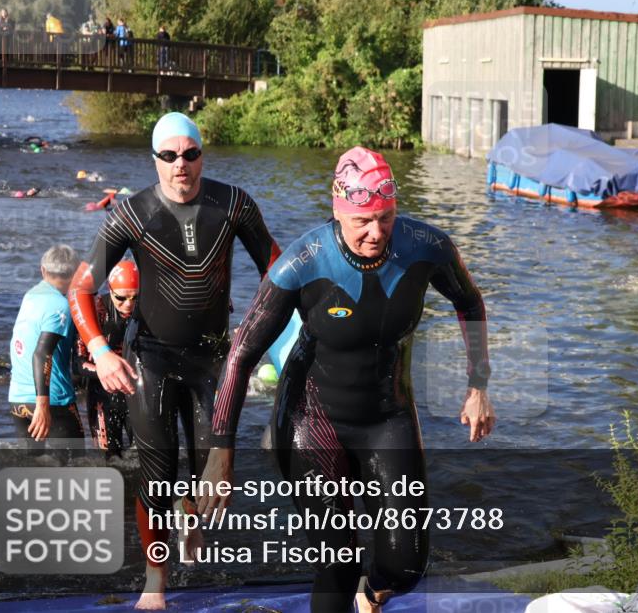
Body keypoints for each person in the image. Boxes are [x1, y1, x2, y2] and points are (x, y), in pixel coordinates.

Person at [201, 147, 495, 613]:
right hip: (312, 418)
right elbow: (241, 354)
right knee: (337, 558)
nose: (376, 233)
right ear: (339, 212)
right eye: (362, 221)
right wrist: (221, 452)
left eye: (386, 218)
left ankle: (371, 594)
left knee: (406, 564)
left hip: (388, 414)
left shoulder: (426, 246)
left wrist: (478, 386)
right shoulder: (303, 261)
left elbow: (470, 303)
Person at [68, 112, 281, 610]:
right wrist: (101, 351)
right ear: (155, 160)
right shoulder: (132, 213)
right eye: (169, 155)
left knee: (213, 479)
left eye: (190, 153)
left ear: (202, 155)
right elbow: (81, 288)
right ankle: (154, 582)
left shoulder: (233, 205)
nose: (180, 165)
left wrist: (296, 326)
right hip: (153, 360)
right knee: (156, 476)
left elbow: (278, 271)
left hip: (212, 360)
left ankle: (191, 513)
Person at [8, 245, 83, 450]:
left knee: (35, 469)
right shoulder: (61, 305)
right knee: (74, 467)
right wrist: (42, 405)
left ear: (43, 270)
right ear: (76, 273)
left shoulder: (30, 296)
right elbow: (42, 353)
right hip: (52, 401)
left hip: (17, 399)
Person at [74, 260, 138, 462]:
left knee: (145, 456)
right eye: (121, 298)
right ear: (110, 290)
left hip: (135, 392)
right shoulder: (96, 311)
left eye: (134, 297)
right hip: (102, 395)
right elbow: (77, 363)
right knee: (109, 460)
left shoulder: (147, 309)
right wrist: (107, 372)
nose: (128, 304)